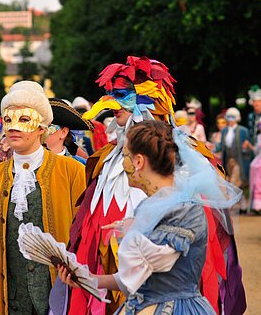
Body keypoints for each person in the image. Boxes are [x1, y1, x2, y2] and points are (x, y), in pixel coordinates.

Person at [59, 120, 242, 315]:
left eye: (125, 156)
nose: (123, 163)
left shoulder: (186, 209)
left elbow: (150, 265)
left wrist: (128, 235)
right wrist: (87, 278)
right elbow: (132, 280)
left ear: (138, 161)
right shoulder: (148, 206)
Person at [68, 56, 178, 314]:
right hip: (105, 262)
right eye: (110, 95)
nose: (112, 103)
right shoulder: (107, 155)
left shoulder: (172, 155)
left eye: (122, 95)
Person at [0, 81, 86, 315]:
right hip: (11, 299)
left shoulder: (72, 171)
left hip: (59, 295)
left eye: (24, 120)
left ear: (42, 127)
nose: (14, 127)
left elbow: (83, 235)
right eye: (8, 120)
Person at [46, 99, 93, 165]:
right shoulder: (29, 161)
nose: (40, 130)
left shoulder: (80, 166)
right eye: (38, 126)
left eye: (48, 127)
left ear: (64, 132)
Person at [218, 108, 251, 189]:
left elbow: (248, 148)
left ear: (237, 118)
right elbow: (221, 145)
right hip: (228, 161)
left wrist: (245, 148)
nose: (230, 119)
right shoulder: (224, 131)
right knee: (230, 182)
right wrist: (211, 148)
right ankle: (238, 200)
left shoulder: (243, 130)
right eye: (229, 117)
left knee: (233, 183)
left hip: (239, 161)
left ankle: (234, 201)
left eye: (233, 117)